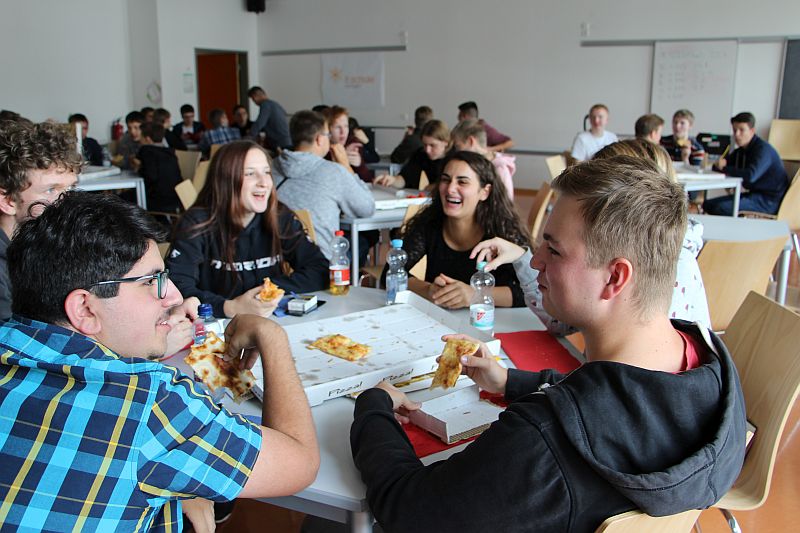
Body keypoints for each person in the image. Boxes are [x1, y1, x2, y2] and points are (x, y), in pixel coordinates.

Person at [352, 156, 746, 533]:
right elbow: (625, 400)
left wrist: (375, 406)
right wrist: (509, 382)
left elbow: (410, 511)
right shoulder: (711, 370)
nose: (535, 260)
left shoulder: (538, 441)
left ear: (615, 278)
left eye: (554, 250)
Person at [0, 190, 319, 531]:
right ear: (85, 308)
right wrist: (272, 337)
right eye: (152, 281)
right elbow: (300, 463)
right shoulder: (147, 401)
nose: (174, 296)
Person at [166, 140, 329, 319]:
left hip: (271, 322)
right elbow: (176, 287)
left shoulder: (279, 217)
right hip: (214, 331)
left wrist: (268, 290)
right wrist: (230, 307)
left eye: (267, 172)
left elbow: (319, 269)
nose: (264, 183)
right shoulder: (196, 223)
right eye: (250, 173)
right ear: (226, 180)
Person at [391, 151, 529, 309]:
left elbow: (530, 292)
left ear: (485, 192)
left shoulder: (503, 231)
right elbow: (393, 270)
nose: (450, 189)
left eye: (462, 182)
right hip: (439, 323)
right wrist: (429, 290)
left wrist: (476, 295)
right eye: (445, 179)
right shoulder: (430, 222)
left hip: (495, 325)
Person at [0, 120, 81, 321]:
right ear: (8, 201)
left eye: (70, 188)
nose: (67, 202)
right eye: (51, 190)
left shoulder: (44, 242)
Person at [272, 110, 375, 261]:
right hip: (321, 261)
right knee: (365, 239)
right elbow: (366, 208)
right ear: (320, 139)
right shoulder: (333, 171)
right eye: (328, 135)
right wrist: (347, 167)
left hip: (278, 257)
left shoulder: (270, 166)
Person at [703, 112, 789, 216]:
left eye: (742, 130)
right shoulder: (741, 151)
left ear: (752, 131)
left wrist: (724, 168)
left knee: (721, 208)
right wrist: (719, 165)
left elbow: (750, 175)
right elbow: (718, 167)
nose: (737, 134)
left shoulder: (763, 150)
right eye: (735, 130)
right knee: (708, 204)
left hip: (769, 201)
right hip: (753, 195)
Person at [374, 120, 453, 190]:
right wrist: (392, 180)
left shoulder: (455, 159)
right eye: (425, 145)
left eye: (432, 145)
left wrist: (435, 187)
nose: (427, 150)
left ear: (445, 142)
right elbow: (405, 178)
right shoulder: (421, 154)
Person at [451, 118, 516, 200]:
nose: (457, 151)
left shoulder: (500, 169)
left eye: (458, 146)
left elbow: (505, 206)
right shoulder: (477, 164)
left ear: (471, 141)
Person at [137, 121, 183, 215]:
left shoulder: (147, 151)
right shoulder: (170, 153)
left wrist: (139, 169)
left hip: (158, 200)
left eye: (141, 136)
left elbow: (150, 176)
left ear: (148, 139)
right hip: (177, 198)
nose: (139, 140)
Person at [326, 106, 373, 183]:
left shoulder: (353, 143)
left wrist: (359, 165)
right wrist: (340, 160)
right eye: (338, 127)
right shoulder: (321, 147)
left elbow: (368, 181)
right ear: (328, 129)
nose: (343, 132)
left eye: (346, 126)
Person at [247, 86, 292, 151]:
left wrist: (249, 136)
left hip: (279, 143)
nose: (254, 102)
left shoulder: (265, 105)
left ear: (255, 96)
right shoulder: (275, 104)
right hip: (288, 141)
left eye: (253, 99)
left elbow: (260, 123)